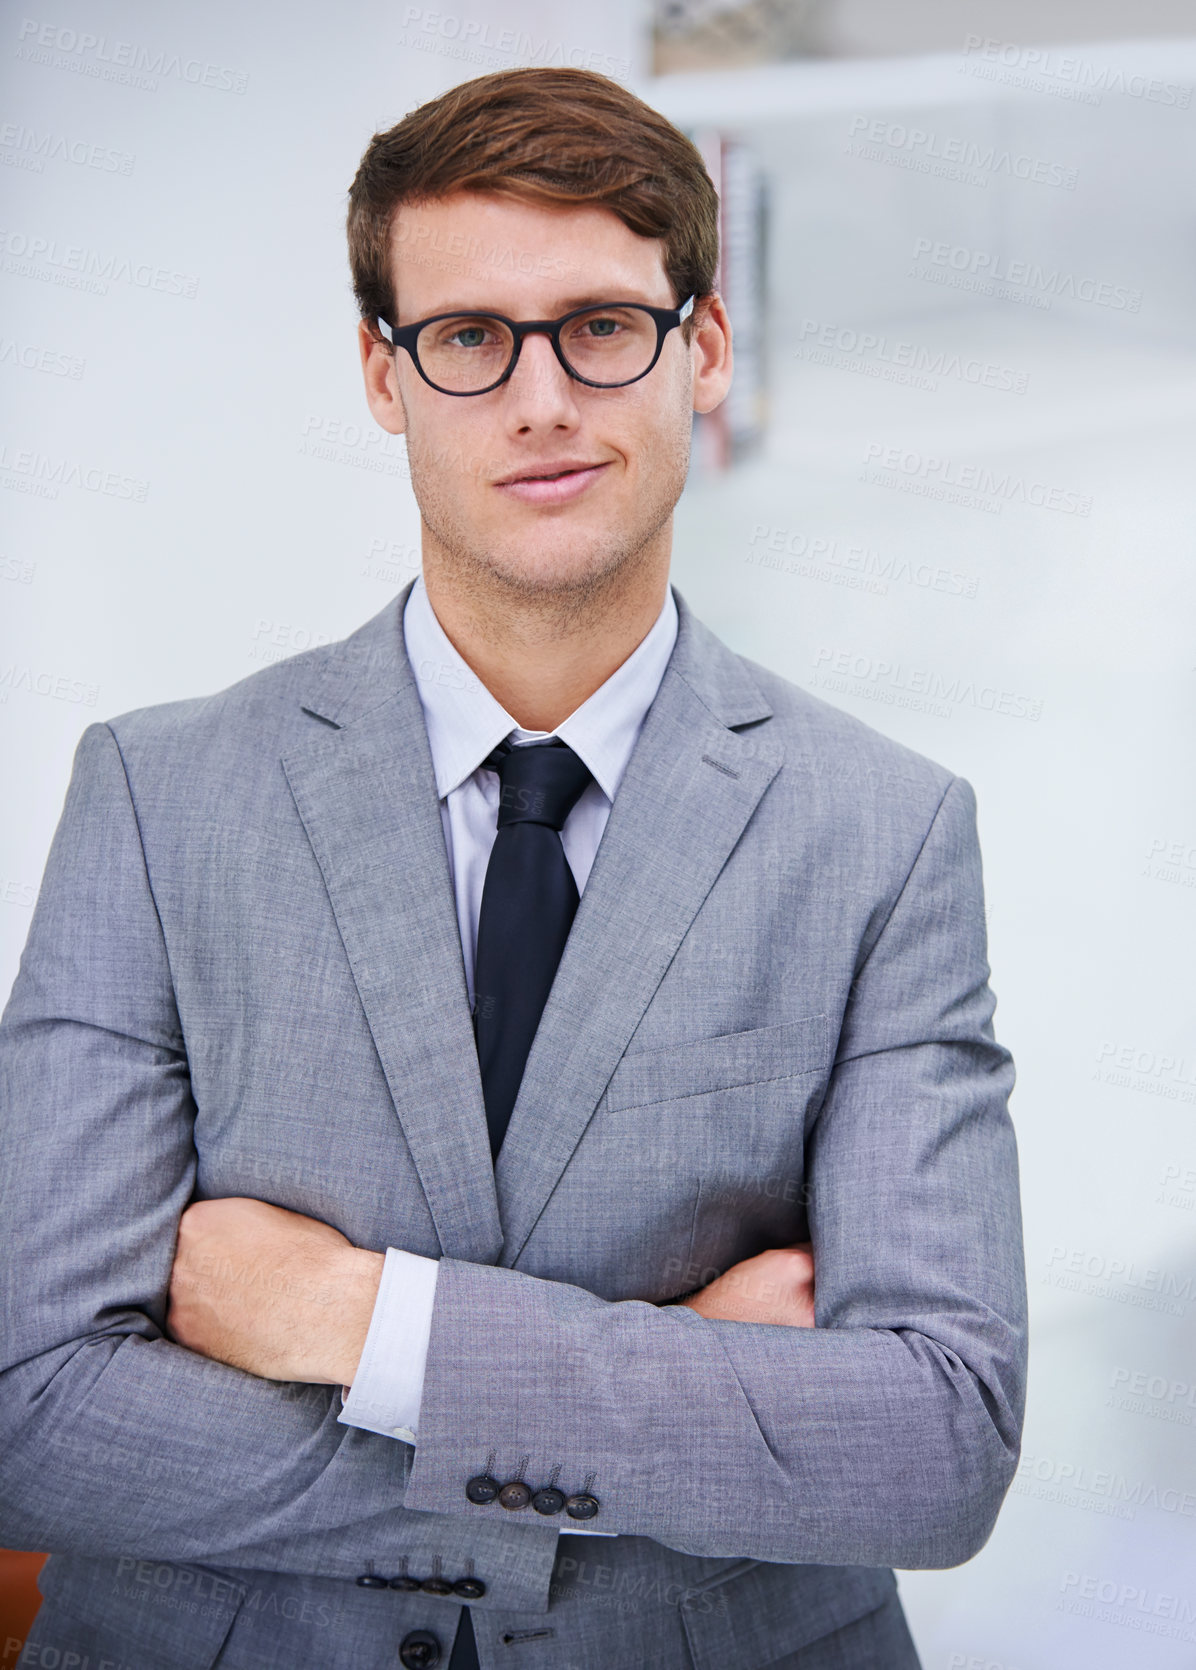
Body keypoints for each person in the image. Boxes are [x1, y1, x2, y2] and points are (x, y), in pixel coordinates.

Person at [0, 66, 1027, 1670]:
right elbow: (37, 1407)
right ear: (382, 374)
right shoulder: (154, 794)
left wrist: (373, 1327)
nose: (541, 398)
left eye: (602, 326)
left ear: (703, 349)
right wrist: (670, 1386)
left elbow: (938, 1441)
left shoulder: (886, 830)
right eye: (470, 337)